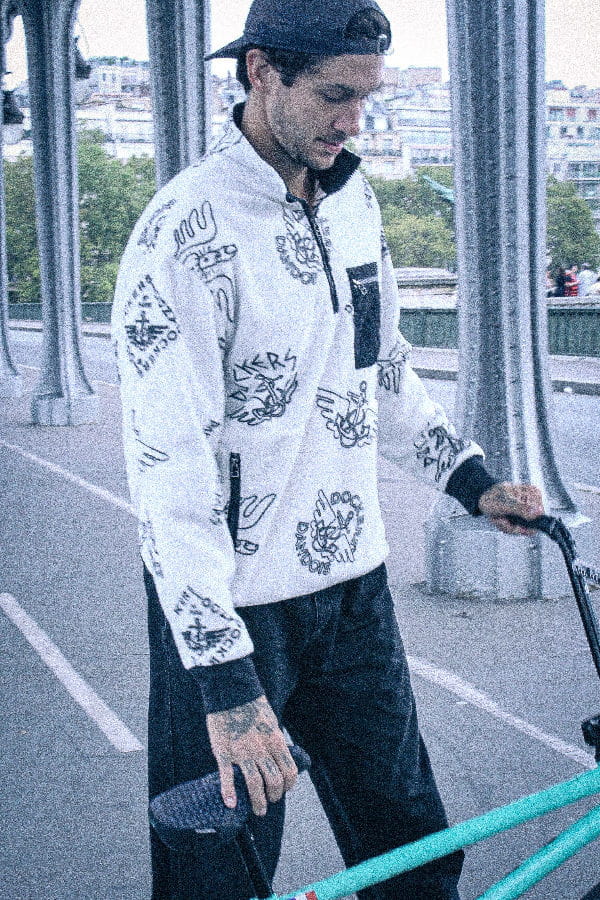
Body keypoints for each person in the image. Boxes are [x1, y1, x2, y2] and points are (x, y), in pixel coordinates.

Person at [111, 1, 544, 897]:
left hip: (353, 593)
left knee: (415, 854)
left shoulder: (353, 203)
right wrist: (223, 682)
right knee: (217, 879)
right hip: (235, 613)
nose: (354, 122)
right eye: (335, 95)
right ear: (260, 72)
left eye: (367, 97)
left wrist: (470, 479)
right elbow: (169, 468)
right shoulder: (182, 233)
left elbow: (379, 367)